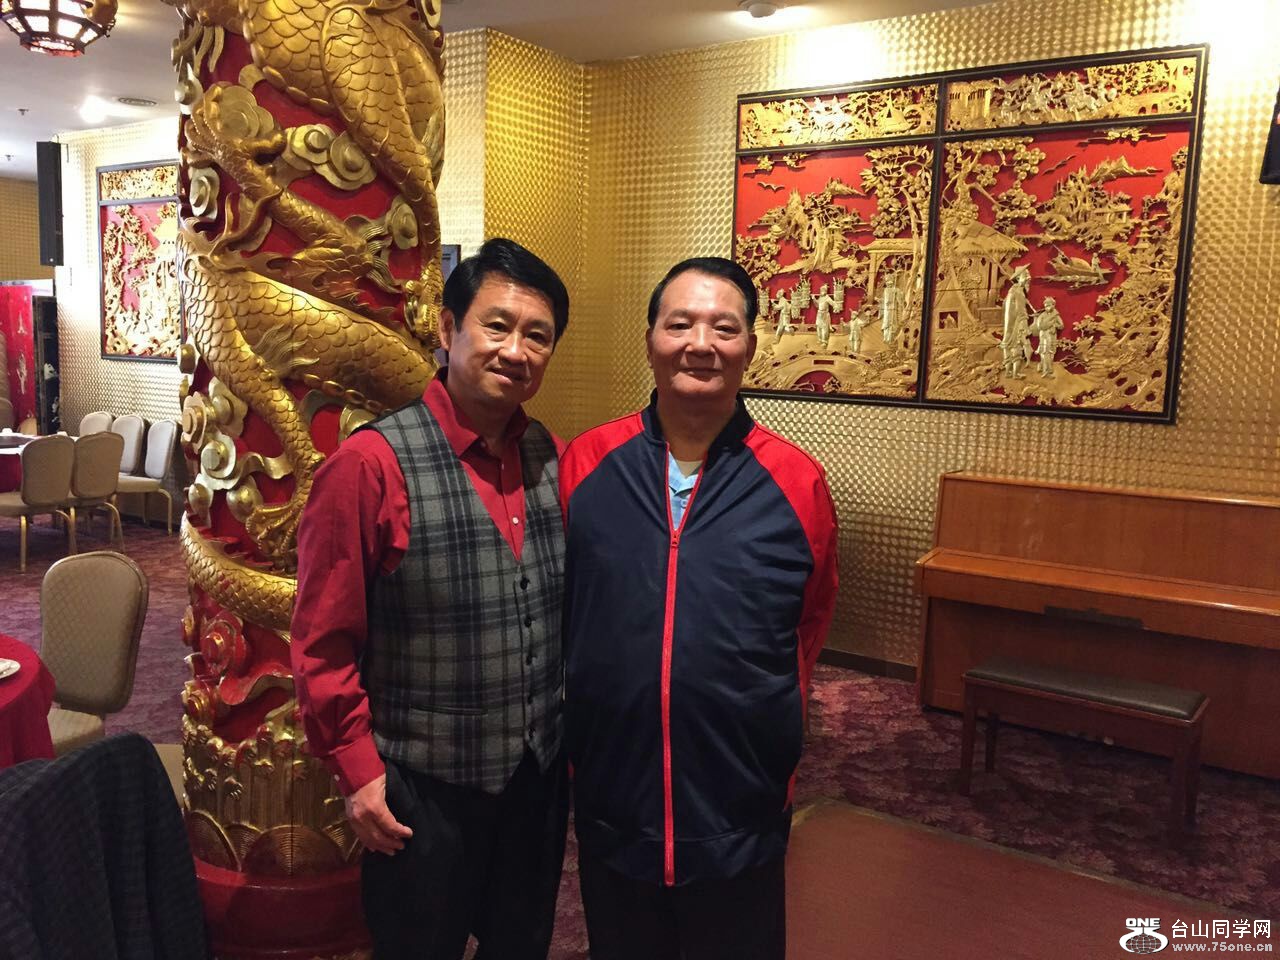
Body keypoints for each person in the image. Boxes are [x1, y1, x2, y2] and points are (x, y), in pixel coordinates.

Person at [291, 237, 571, 960]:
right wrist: (358, 773)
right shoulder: (369, 464)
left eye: (538, 336)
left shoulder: (549, 454)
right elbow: (322, 642)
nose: (516, 351)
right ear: (448, 330)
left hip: (535, 782)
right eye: (497, 326)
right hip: (421, 788)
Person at [559, 257, 838, 960]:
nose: (701, 344)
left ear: (752, 345)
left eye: (724, 327)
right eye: (680, 324)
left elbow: (807, 625)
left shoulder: (795, 481)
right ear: (650, 338)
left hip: (739, 803)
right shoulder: (588, 464)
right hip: (614, 793)